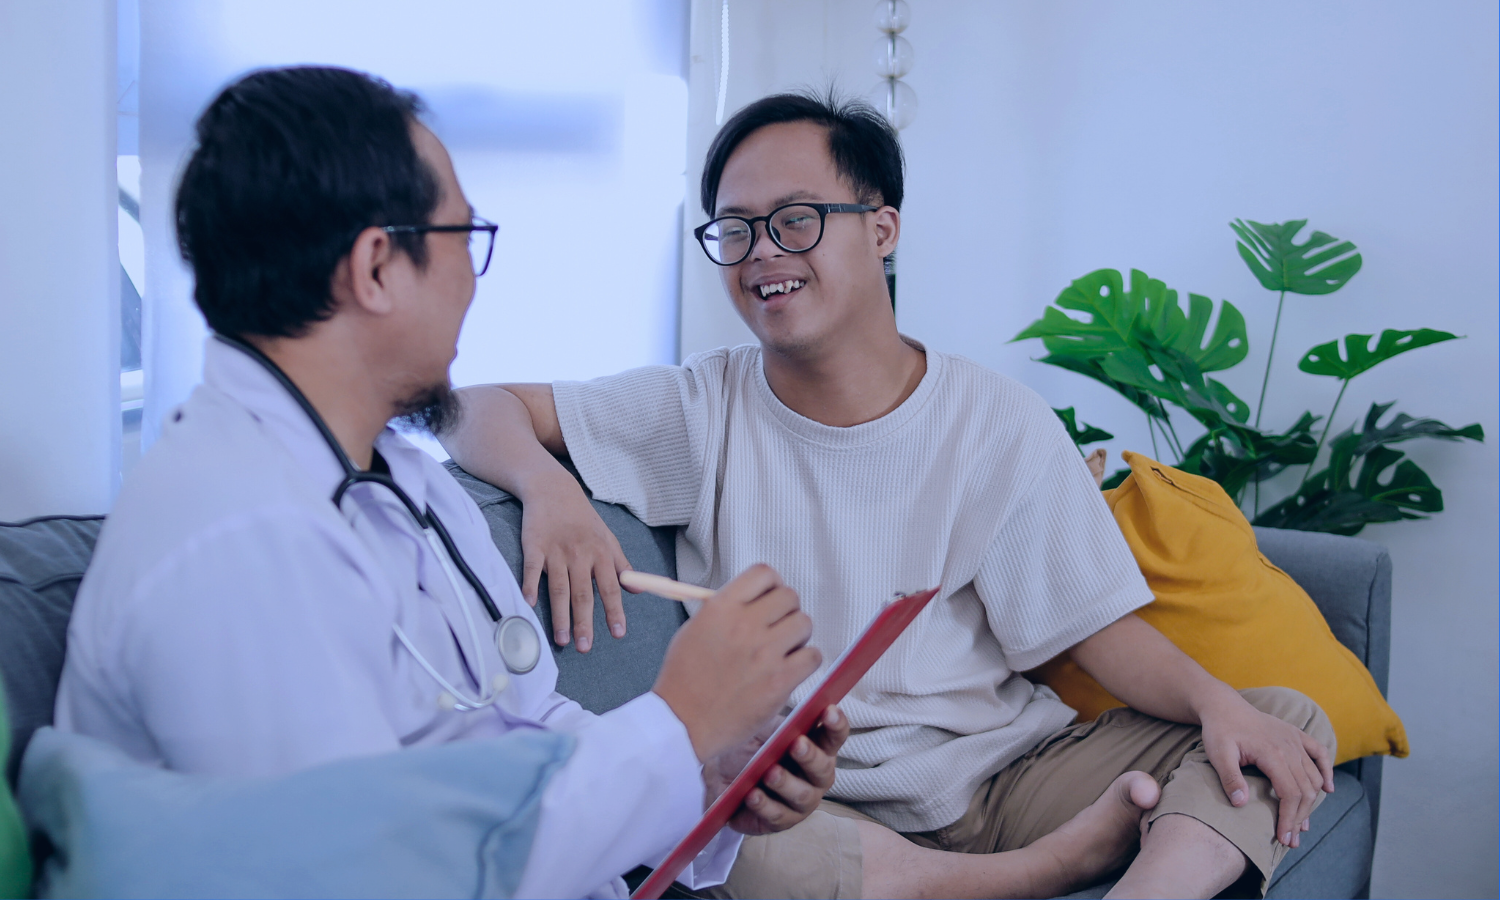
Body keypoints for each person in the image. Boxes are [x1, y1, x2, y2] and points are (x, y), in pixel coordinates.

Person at [441, 92, 1338, 899]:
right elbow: (474, 407)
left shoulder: (996, 420)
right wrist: (549, 489)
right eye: (736, 229)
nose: (763, 252)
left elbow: (1092, 627)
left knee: (1283, 723)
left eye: (796, 220)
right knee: (725, 844)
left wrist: (1218, 703)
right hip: (814, 800)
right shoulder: (697, 408)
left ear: (882, 229)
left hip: (1008, 777)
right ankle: (1045, 873)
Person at [53, 67, 853, 900]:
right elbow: (369, 872)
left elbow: (530, 730)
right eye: (464, 239)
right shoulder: (231, 544)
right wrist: (676, 724)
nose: (474, 280)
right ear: (376, 267)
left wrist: (711, 774)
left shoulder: (403, 482)